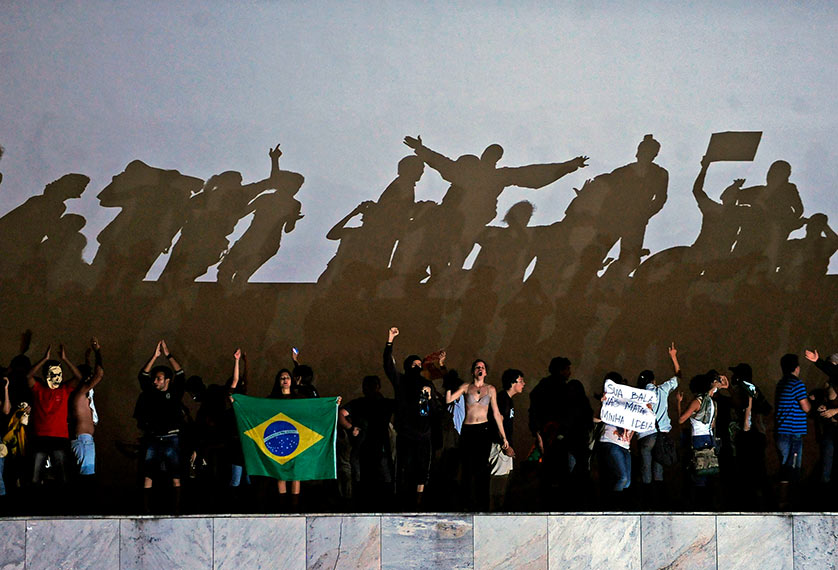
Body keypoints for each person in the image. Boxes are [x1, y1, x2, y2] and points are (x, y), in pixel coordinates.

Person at [383, 326, 439, 508]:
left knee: (423, 469)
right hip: (406, 434)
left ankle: (419, 502)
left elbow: (433, 410)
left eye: (418, 364)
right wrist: (390, 340)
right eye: (413, 364)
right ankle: (401, 501)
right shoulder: (401, 381)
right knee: (404, 468)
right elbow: (388, 365)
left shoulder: (427, 384)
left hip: (424, 435)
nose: (416, 366)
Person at [445, 359, 510, 510]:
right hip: (469, 430)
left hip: (483, 430)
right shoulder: (466, 387)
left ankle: (482, 505)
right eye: (477, 367)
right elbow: (449, 399)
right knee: (467, 467)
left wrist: (504, 437)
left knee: (482, 467)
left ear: (486, 372)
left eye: (482, 367)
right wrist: (448, 383)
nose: (480, 369)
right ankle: (466, 503)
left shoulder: (490, 389)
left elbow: (496, 413)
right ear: (473, 371)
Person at [133, 340, 186, 514]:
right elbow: (142, 375)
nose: (156, 381)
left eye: (159, 378)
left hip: (172, 438)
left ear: (167, 381)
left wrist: (168, 354)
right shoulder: (151, 393)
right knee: (148, 474)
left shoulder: (175, 392)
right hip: (154, 438)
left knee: (175, 475)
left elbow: (180, 373)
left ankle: (177, 510)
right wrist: (155, 356)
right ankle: (146, 509)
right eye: (155, 378)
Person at [27, 344, 82, 496]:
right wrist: (44, 359)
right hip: (40, 437)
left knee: (63, 476)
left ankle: (61, 507)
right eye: (53, 374)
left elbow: (78, 378)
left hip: (59, 437)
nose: (57, 378)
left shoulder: (64, 390)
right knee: (35, 476)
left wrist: (65, 359)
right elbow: (28, 376)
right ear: (46, 375)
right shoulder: (38, 389)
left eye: (59, 374)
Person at [340, 375, 396, 509]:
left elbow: (341, 413)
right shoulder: (362, 403)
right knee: (368, 483)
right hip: (367, 448)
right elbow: (341, 413)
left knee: (372, 483)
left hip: (374, 448)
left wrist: (350, 427)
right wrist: (350, 427)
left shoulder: (379, 403)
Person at [635, 342, 680, 505]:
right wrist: (673, 357)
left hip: (645, 436)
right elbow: (678, 377)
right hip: (661, 434)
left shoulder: (638, 395)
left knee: (645, 469)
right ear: (653, 380)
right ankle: (659, 502)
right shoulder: (662, 389)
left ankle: (646, 502)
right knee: (658, 470)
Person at [677, 371, 729, 509]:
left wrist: (679, 403)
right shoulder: (712, 402)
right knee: (709, 471)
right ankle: (710, 503)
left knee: (698, 471)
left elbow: (681, 419)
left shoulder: (697, 401)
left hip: (698, 439)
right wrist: (722, 381)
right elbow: (712, 424)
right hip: (709, 437)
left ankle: (700, 505)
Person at [69, 338, 103, 491]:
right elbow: (99, 374)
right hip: (83, 440)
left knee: (84, 475)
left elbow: (89, 375)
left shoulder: (82, 393)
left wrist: (87, 358)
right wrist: (98, 352)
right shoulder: (81, 392)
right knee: (86, 478)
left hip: (84, 439)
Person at [489, 368, 524, 511]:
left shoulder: (507, 400)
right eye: (521, 381)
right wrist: (505, 445)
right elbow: (499, 423)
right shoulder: (503, 399)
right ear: (512, 383)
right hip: (500, 448)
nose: (524, 384)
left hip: (503, 447)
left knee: (502, 484)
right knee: (498, 485)